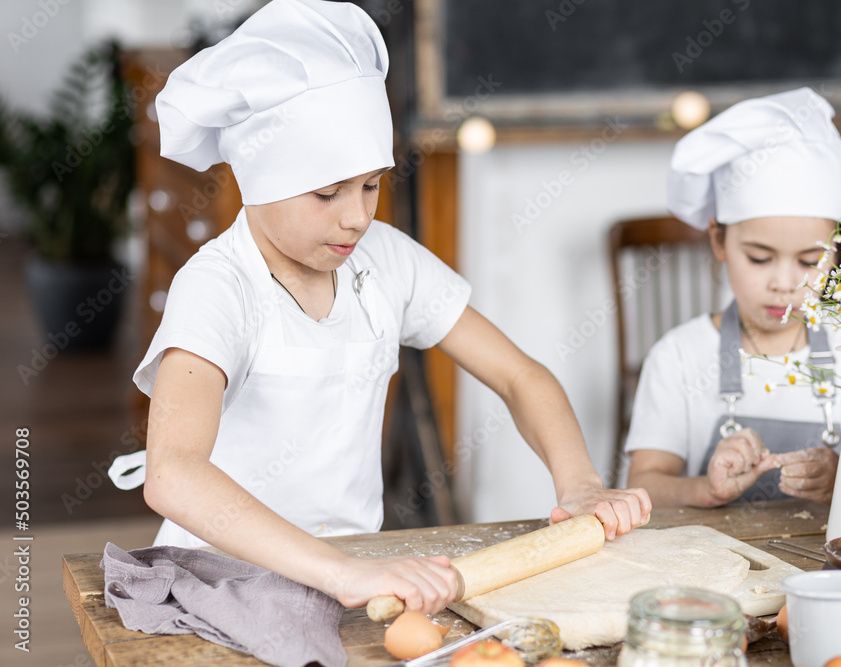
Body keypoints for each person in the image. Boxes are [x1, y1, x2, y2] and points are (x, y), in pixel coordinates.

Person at [109, 0, 650, 615]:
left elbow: (519, 375)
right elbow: (173, 473)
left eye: (371, 184)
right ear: (259, 179)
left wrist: (580, 487)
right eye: (327, 192)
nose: (357, 216)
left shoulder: (385, 261)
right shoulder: (218, 287)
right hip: (217, 576)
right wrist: (340, 572)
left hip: (357, 575)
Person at [625, 87, 841, 509]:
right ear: (719, 240)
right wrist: (705, 489)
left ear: (836, 249)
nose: (785, 283)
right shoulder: (679, 356)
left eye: (809, 259)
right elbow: (646, 484)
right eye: (760, 258)